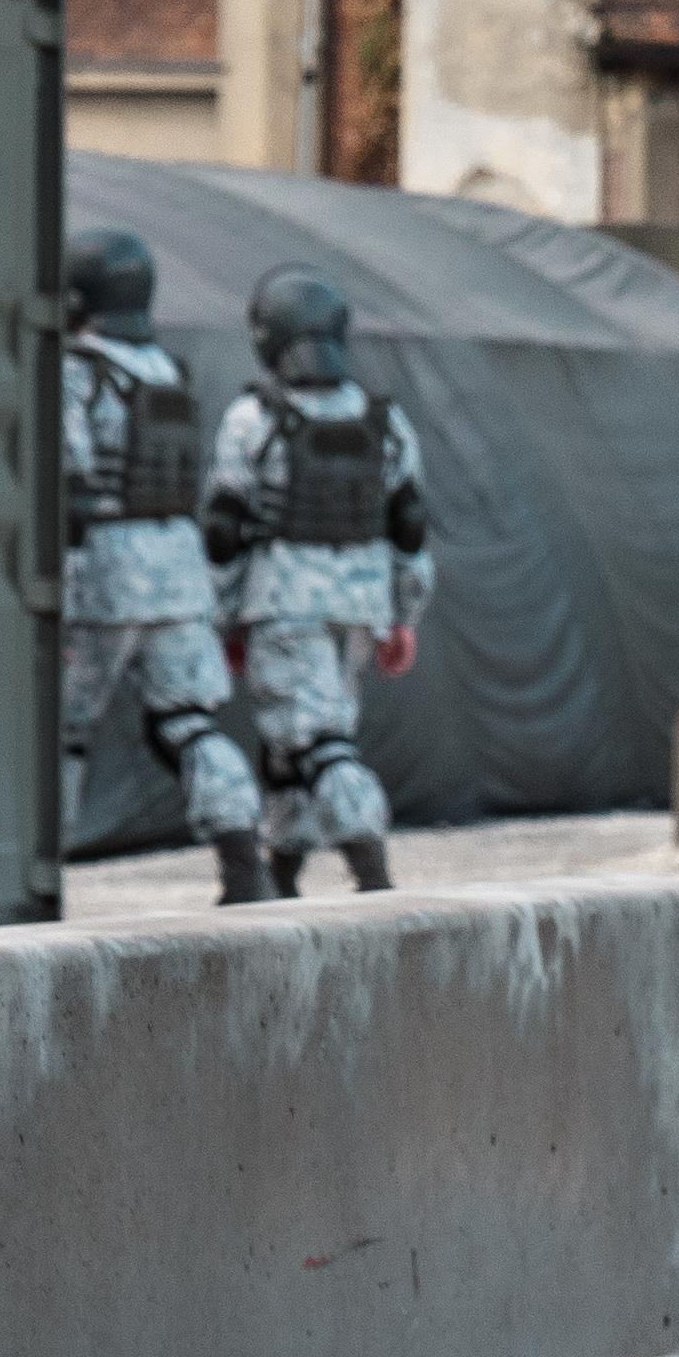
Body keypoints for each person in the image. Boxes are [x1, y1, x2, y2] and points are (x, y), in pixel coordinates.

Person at [204, 266, 432, 897]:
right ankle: (281, 873)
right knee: (294, 745)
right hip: (359, 608)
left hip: (284, 607)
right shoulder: (383, 422)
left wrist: (224, 621)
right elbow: (409, 529)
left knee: (316, 742)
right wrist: (403, 617)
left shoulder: (254, 419)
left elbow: (223, 531)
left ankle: (372, 870)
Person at [59, 228, 270, 899]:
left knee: (58, 731)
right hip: (179, 573)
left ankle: (35, 876)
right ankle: (244, 864)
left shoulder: (76, 369)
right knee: (188, 722)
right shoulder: (167, 371)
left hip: (103, 573)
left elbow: (66, 471)